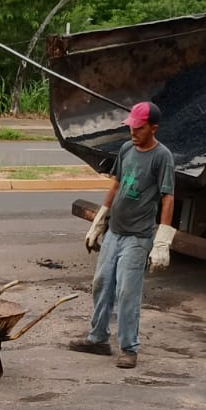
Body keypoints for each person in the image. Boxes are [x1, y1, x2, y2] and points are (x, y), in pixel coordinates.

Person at [68, 100, 175, 371]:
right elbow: (116, 183)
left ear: (153, 128)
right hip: (115, 231)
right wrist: (99, 221)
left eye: (139, 128)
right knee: (102, 284)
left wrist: (162, 241)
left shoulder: (162, 156)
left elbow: (167, 198)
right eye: (131, 127)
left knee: (128, 291)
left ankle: (129, 348)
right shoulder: (127, 148)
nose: (133, 132)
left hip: (138, 237)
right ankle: (98, 338)